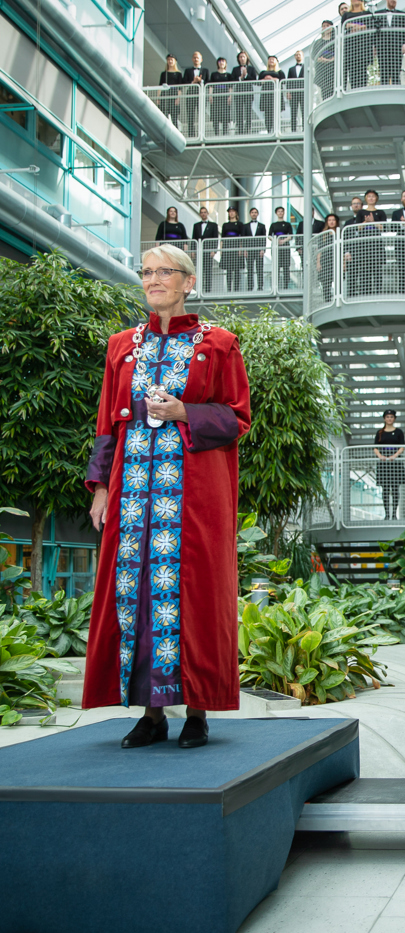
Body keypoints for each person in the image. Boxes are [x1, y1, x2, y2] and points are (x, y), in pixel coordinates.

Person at [84, 244, 250, 749]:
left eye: (164, 272)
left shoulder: (218, 344)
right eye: (147, 272)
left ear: (188, 282)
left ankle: (197, 711)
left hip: (193, 498)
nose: (153, 279)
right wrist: (101, 488)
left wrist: (184, 412)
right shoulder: (121, 347)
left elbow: (237, 417)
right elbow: (108, 425)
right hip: (135, 495)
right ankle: (152, 714)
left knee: (194, 593)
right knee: (136, 592)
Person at [374, 409, 405, 519]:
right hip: (383, 464)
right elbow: (375, 447)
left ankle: (394, 514)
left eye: (391, 417)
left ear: (394, 419)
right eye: (387, 417)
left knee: (395, 488)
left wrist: (394, 456)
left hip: (395, 463)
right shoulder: (380, 432)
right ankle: (387, 514)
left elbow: (402, 447)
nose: (389, 419)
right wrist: (380, 456)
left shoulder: (399, 432)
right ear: (384, 419)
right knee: (385, 488)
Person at [375, 0, 405, 87]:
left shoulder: (402, 14)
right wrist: (374, 45)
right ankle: (384, 94)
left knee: (396, 73)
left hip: (396, 48)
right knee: (384, 72)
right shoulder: (377, 13)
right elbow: (374, 31)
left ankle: (397, 94)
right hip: (382, 48)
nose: (393, 1)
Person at [342, 0, 371, 91]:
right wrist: (359, 26)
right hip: (351, 47)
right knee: (352, 72)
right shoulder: (346, 15)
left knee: (362, 71)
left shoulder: (367, 13)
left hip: (363, 47)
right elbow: (345, 25)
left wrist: (354, 26)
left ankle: (362, 91)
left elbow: (369, 25)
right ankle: (354, 90)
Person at [191, 206, 218, 293]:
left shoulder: (213, 225)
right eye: (201, 212)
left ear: (207, 214)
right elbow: (193, 238)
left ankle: (207, 290)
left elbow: (215, 238)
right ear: (200, 214)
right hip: (199, 251)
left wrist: (214, 250)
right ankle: (200, 289)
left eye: (204, 212)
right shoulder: (196, 225)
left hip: (208, 251)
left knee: (208, 271)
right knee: (199, 271)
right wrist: (193, 251)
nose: (203, 214)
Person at [315, 212, 340, 303]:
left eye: (333, 220)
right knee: (326, 282)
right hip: (325, 260)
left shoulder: (340, 233)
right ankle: (327, 300)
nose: (331, 222)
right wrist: (318, 262)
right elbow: (319, 249)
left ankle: (338, 299)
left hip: (336, 259)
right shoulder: (323, 234)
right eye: (329, 220)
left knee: (338, 280)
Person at [231, 51, 257, 135]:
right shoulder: (235, 69)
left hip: (248, 93)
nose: (242, 58)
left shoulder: (251, 69)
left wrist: (246, 76)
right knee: (239, 112)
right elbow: (232, 81)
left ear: (246, 58)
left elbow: (254, 81)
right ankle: (240, 130)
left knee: (248, 112)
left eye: (244, 57)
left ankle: (248, 129)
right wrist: (240, 78)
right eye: (240, 57)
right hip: (238, 93)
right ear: (238, 59)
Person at [219, 207, 245, 292]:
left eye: (233, 211)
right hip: (227, 247)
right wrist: (221, 249)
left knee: (237, 270)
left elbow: (242, 237)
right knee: (229, 270)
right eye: (230, 212)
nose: (231, 213)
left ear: (236, 213)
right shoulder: (225, 225)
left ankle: (236, 289)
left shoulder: (240, 224)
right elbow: (222, 238)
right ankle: (229, 289)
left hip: (236, 247)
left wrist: (240, 248)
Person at [269, 207, 294, 290]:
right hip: (276, 247)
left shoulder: (287, 224)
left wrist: (283, 241)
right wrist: (276, 241)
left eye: (282, 211)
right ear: (276, 213)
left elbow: (291, 236)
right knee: (276, 266)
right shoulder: (273, 225)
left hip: (285, 247)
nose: (280, 213)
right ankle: (276, 286)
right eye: (278, 211)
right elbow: (269, 236)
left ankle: (286, 286)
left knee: (286, 266)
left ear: (284, 213)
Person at [182, 52, 206, 138]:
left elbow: (208, 81)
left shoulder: (205, 70)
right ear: (192, 59)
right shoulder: (188, 71)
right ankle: (191, 135)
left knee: (201, 115)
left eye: (198, 58)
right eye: (194, 58)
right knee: (190, 115)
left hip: (201, 95)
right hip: (191, 94)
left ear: (201, 60)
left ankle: (201, 134)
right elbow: (184, 81)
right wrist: (193, 82)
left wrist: (200, 81)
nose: (196, 59)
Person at [243, 207, 268, 292]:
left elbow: (264, 238)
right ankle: (250, 287)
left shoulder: (262, 226)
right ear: (250, 214)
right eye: (252, 212)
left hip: (258, 250)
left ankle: (260, 287)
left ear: (257, 214)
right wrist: (244, 250)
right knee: (250, 268)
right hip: (249, 250)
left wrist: (263, 249)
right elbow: (244, 238)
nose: (254, 214)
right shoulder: (245, 226)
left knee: (259, 268)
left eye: (255, 212)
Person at [258, 56, 284, 134]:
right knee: (267, 114)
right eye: (270, 59)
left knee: (275, 113)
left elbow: (283, 81)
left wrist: (272, 79)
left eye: (273, 59)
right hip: (266, 95)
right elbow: (258, 82)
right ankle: (269, 130)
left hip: (275, 95)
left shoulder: (280, 72)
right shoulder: (263, 72)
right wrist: (264, 80)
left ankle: (276, 130)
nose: (271, 61)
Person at [158, 55, 183, 128]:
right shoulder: (164, 73)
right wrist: (158, 97)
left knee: (174, 116)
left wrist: (178, 97)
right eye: (168, 59)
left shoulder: (178, 74)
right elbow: (160, 86)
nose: (170, 61)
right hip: (165, 93)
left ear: (175, 61)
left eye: (172, 59)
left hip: (174, 93)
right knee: (163, 114)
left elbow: (180, 87)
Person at [209, 57, 231, 135]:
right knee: (215, 115)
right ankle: (216, 133)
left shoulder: (228, 75)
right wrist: (210, 95)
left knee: (225, 115)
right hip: (216, 95)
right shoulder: (214, 74)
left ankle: (225, 133)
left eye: (223, 61)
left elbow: (230, 87)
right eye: (220, 61)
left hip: (225, 95)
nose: (221, 63)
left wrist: (230, 96)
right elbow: (210, 86)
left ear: (225, 64)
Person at [316, 21, 337, 100]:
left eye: (327, 25)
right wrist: (321, 60)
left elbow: (339, 52)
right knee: (325, 93)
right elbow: (314, 56)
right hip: (323, 72)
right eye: (323, 26)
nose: (325, 27)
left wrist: (331, 60)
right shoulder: (318, 42)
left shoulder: (335, 40)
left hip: (333, 71)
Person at [286, 50, 305, 130]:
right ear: (294, 56)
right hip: (294, 93)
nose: (298, 56)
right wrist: (288, 92)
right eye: (296, 54)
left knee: (304, 111)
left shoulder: (306, 67)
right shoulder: (291, 69)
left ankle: (305, 128)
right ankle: (293, 129)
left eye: (299, 54)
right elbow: (288, 81)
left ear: (302, 56)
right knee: (293, 112)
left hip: (303, 92)